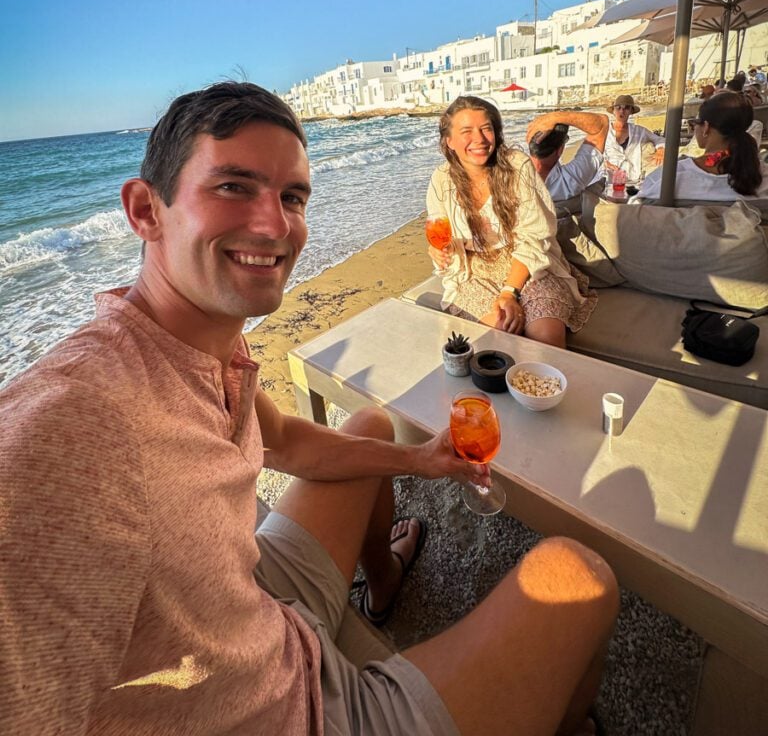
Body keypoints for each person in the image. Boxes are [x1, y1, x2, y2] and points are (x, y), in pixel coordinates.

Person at [1, 82, 618, 736]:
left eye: (292, 196)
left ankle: (381, 584)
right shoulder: (67, 431)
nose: (275, 225)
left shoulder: (202, 340)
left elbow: (289, 443)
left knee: (370, 425)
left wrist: (421, 459)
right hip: (295, 707)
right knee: (581, 575)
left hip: (250, 594)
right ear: (146, 210)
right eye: (233, 186)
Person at [426, 96, 597, 349]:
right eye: (466, 131)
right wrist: (440, 250)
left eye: (486, 128)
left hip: (527, 263)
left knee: (546, 339)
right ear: (449, 141)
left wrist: (509, 292)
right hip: (475, 272)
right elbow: (440, 231)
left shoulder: (517, 166)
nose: (480, 139)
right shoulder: (441, 180)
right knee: (501, 338)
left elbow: (535, 236)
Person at [635, 91, 768, 203]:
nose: (694, 129)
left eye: (695, 123)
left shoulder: (672, 178)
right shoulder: (764, 177)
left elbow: (638, 207)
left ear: (706, 127)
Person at [525, 109, 609, 208]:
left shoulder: (509, 176)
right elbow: (602, 124)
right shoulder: (569, 181)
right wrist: (555, 117)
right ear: (560, 150)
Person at [603, 94, 665, 184]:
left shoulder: (639, 131)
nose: (622, 111)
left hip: (634, 176)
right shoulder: (605, 132)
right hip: (609, 176)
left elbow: (660, 140)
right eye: (618, 108)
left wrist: (661, 150)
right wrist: (605, 164)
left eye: (626, 108)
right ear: (613, 111)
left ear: (631, 111)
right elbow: (593, 153)